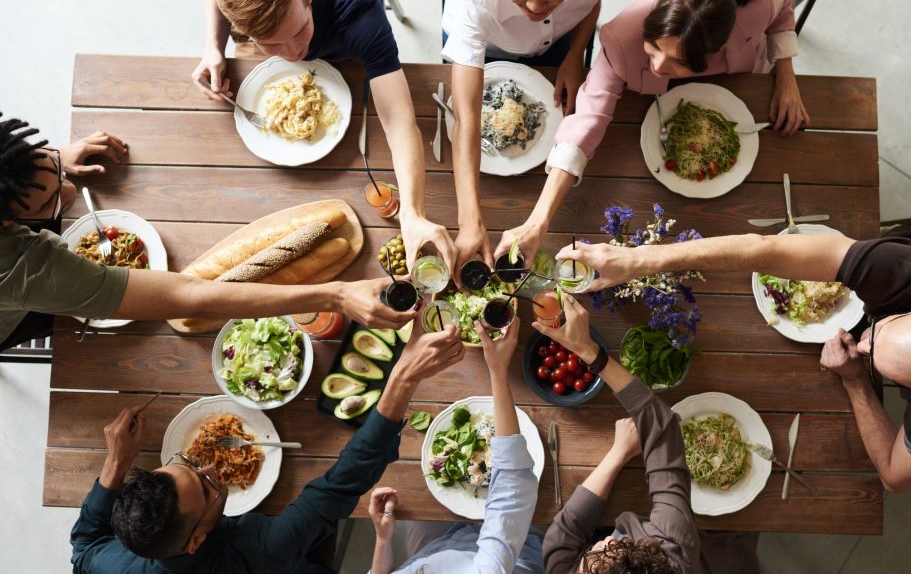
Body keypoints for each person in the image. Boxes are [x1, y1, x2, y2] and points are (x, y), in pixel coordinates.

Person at [558, 226, 911, 492]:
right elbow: (764, 249)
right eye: (878, 333)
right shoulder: (906, 272)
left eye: (874, 358)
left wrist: (854, 381)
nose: (861, 340)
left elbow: (894, 476)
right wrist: (641, 259)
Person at [68, 320, 467, 573]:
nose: (210, 471)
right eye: (206, 488)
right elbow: (343, 482)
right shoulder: (261, 553)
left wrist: (116, 464)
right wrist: (401, 380)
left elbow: (83, 546)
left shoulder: (111, 564)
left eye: (188, 465)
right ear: (195, 542)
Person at [0, 115, 412, 352]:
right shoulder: (25, 269)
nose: (73, 191)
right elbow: (187, 295)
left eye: (53, 167)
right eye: (51, 203)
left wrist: (50, 165)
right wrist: (337, 294)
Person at [495, 0, 809, 263]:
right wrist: (537, 221)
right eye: (654, 46)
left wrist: (786, 75)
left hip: (739, 87)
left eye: (678, 61)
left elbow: (784, 7)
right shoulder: (621, 39)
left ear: (716, 50)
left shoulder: (760, 2)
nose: (658, 66)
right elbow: (587, 120)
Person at [192, 0, 458, 280]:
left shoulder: (358, 9)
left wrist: (412, 213)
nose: (293, 54)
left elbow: (398, 117)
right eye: (272, 44)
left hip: (343, 49)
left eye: (300, 30)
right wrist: (213, 46)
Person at [441, 0, 607, 278]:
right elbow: (466, 118)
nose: (534, 6)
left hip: (557, 42)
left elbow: (591, 0)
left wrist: (575, 54)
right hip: (487, 45)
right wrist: (469, 223)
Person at [537, 296, 717, 573]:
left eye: (590, 562)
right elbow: (662, 428)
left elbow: (562, 537)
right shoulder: (674, 550)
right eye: (615, 548)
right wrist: (590, 353)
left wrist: (617, 455)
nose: (603, 542)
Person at [367, 318, 543, 573]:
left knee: (416, 513)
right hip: (517, 553)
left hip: (434, 552)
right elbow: (512, 490)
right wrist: (497, 370)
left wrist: (383, 540)